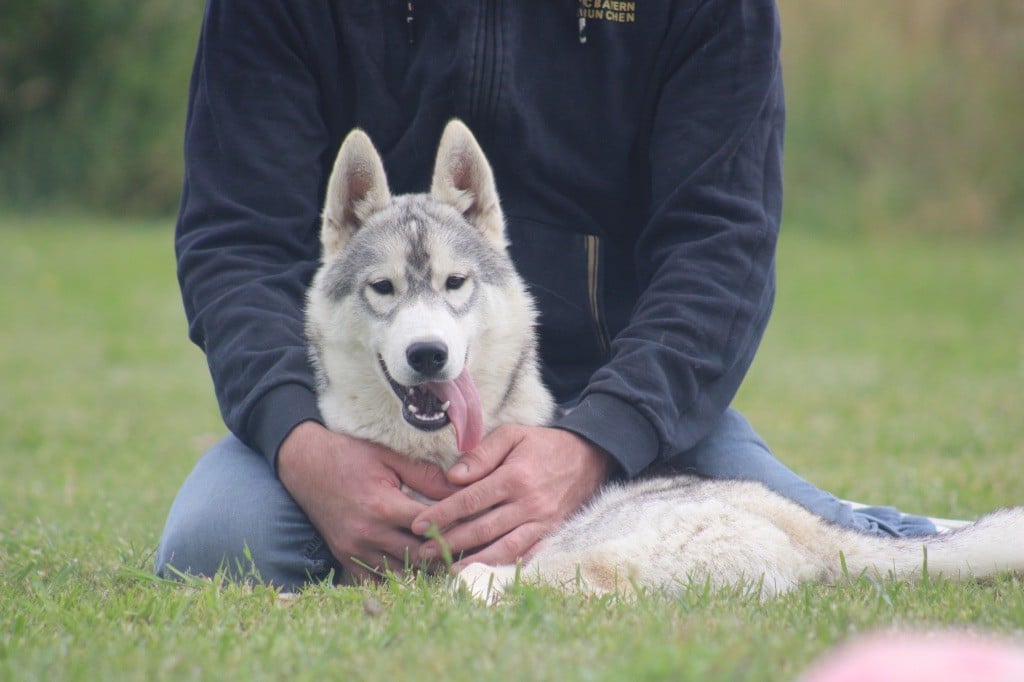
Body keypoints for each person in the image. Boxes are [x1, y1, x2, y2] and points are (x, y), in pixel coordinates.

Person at [157, 0, 937, 591]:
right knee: (215, 540)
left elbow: (721, 248)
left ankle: (916, 533)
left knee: (832, 546)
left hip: (630, 412)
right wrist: (300, 445)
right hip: (351, 418)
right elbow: (235, 239)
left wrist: (599, 439)